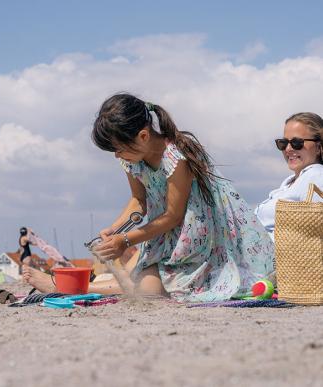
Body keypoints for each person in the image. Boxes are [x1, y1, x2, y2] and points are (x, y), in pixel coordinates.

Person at [24, 93, 274, 303]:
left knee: (149, 288)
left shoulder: (176, 157)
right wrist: (115, 229)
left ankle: (70, 287)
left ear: (143, 136)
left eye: (119, 148)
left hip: (197, 240)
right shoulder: (131, 159)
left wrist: (125, 240)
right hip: (164, 235)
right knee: (141, 278)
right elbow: (138, 202)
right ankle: (72, 283)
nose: (116, 156)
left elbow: (174, 216)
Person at [255, 112, 323, 240]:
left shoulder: (316, 176)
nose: (288, 149)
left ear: (319, 147)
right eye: (283, 143)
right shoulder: (289, 182)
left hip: (279, 256)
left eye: (297, 142)